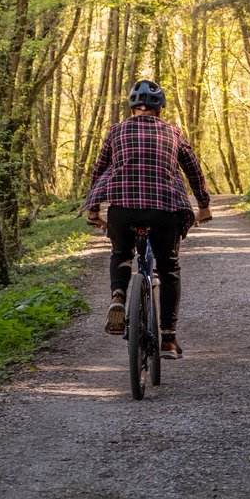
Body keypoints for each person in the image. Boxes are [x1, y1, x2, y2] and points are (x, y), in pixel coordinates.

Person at [83, 79, 212, 359]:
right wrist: (203, 206)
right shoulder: (173, 133)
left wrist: (93, 211)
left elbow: (99, 172)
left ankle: (118, 295)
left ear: (132, 108)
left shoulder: (116, 131)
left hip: (123, 210)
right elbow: (194, 171)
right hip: (164, 210)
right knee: (169, 268)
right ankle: (168, 339)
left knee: (121, 253)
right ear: (160, 109)